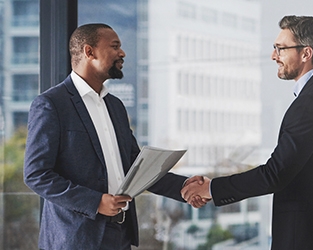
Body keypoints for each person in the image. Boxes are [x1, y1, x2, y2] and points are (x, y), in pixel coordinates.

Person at [182, 15, 313, 250]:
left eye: (280, 48)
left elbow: (275, 174)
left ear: (306, 53)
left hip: (310, 240)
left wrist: (210, 188)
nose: (273, 56)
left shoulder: (311, 104)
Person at [24, 23, 205, 250]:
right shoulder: (51, 104)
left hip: (121, 234)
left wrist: (184, 186)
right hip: (75, 239)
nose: (122, 53)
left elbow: (135, 168)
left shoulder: (115, 106)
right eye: (115, 46)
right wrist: (95, 202)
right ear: (89, 52)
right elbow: (36, 174)